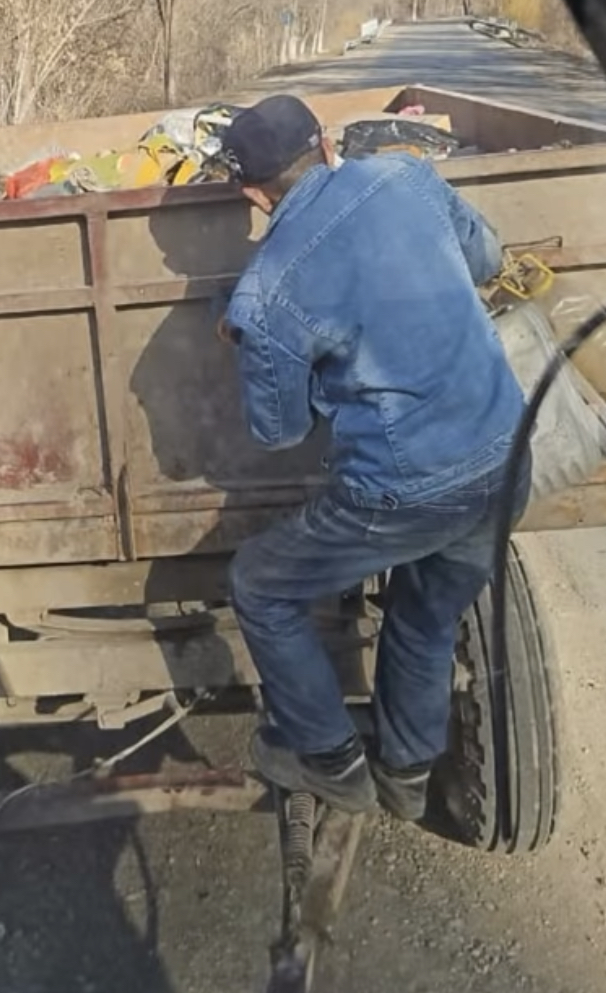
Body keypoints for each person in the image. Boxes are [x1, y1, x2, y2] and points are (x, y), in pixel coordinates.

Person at [217, 94, 529, 821]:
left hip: (405, 490)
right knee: (425, 616)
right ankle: (406, 776)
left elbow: (279, 432)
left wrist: (253, 344)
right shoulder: (405, 176)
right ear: (326, 146)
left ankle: (330, 760)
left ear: (253, 194)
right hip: (506, 454)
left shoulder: (265, 292)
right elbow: (486, 257)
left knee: (259, 586)